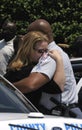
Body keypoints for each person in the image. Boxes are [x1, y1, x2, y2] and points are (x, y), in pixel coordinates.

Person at [11, 19, 82, 118]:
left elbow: (31, 84)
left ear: (42, 34)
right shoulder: (55, 52)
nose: (26, 36)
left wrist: (7, 90)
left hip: (59, 115)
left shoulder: (49, 55)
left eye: (30, 33)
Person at [4, 31, 65, 109]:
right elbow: (57, 87)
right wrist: (59, 60)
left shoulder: (15, 66)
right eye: (40, 51)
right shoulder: (27, 69)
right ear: (28, 49)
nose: (44, 55)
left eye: (46, 51)